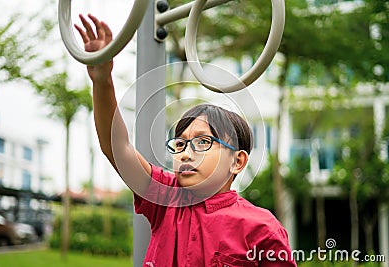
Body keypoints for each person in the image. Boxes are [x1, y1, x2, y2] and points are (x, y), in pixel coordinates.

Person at [75, 14, 297, 267]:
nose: (185, 154)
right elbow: (118, 148)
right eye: (179, 144)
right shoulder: (165, 199)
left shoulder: (261, 228)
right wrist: (102, 82)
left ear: (237, 161)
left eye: (203, 142)